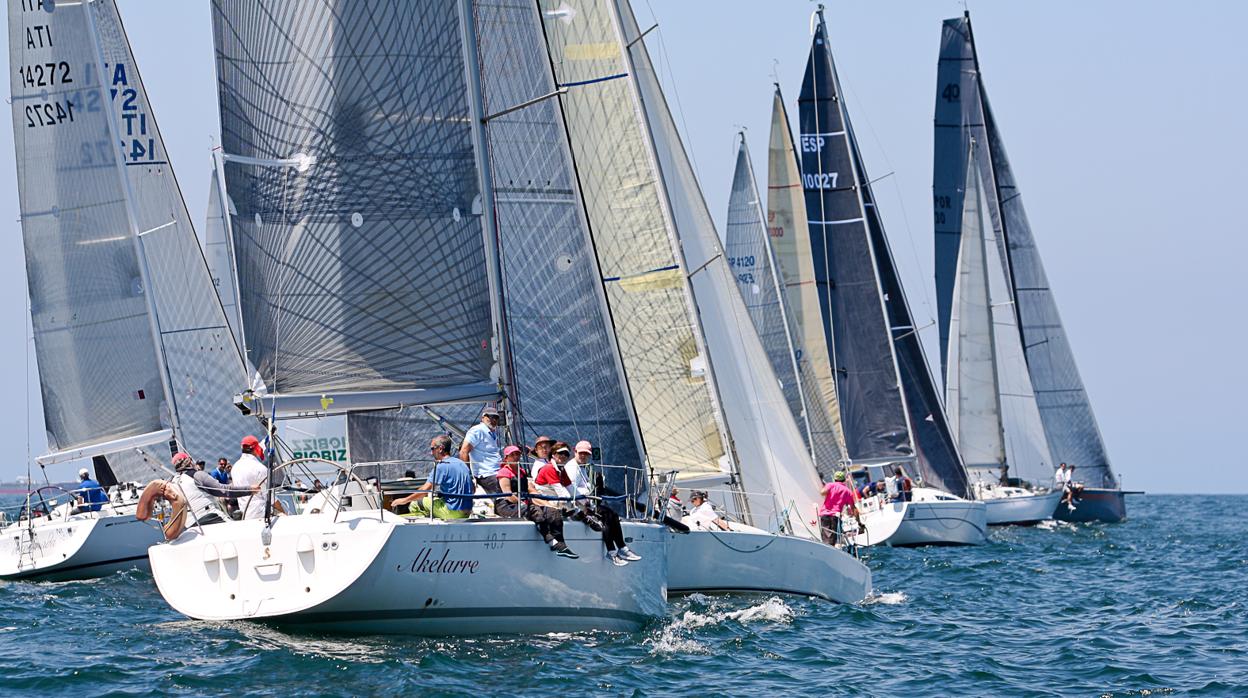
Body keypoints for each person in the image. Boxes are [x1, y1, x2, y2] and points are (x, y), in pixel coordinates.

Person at [569, 440, 640, 566]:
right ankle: (612, 552)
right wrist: (585, 505)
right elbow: (571, 490)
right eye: (581, 453)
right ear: (575, 451)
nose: (583, 456)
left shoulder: (581, 467)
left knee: (613, 514)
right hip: (578, 506)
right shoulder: (572, 468)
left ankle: (622, 548)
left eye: (586, 454)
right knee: (606, 517)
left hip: (587, 503)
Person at [391, 435, 475, 520]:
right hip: (466, 512)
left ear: (440, 448)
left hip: (451, 512)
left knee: (415, 503)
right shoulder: (462, 464)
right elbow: (473, 489)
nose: (431, 453)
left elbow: (424, 491)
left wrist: (404, 500)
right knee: (435, 500)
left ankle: (422, 528)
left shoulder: (441, 466)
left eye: (432, 449)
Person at [170, 452, 257, 527]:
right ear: (189, 461)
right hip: (209, 516)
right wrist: (249, 490)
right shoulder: (197, 475)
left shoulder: (173, 483)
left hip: (189, 524)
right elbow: (223, 490)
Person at [530, 439, 578, 558]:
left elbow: (571, 489)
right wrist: (573, 505)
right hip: (543, 500)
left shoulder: (560, 468)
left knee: (580, 511)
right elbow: (561, 492)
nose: (563, 456)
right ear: (554, 454)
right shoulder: (549, 468)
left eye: (566, 454)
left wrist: (584, 503)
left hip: (554, 499)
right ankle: (561, 546)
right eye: (560, 453)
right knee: (554, 515)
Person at [460, 406, 503, 496]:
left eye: (496, 417)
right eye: (491, 417)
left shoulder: (492, 433)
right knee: (507, 488)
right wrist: (468, 476)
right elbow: (464, 451)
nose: (494, 420)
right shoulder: (478, 430)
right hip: (486, 474)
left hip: (496, 472)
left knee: (519, 482)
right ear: (483, 418)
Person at [231, 435, 270, 521]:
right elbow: (270, 496)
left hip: (244, 515)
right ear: (255, 448)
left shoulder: (235, 468)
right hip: (261, 516)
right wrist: (284, 513)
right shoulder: (259, 468)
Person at [818, 471, 857, 545]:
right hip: (835, 516)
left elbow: (822, 492)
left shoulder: (830, 485)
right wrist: (859, 521)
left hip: (824, 514)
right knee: (833, 539)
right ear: (844, 480)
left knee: (826, 538)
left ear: (834, 479)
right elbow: (853, 508)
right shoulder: (847, 491)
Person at [494, 445, 527, 518]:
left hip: (521, 503)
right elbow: (508, 494)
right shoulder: (504, 472)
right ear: (506, 458)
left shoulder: (522, 472)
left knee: (545, 511)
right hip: (506, 505)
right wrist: (523, 504)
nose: (515, 457)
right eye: (512, 455)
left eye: (517, 454)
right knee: (530, 510)